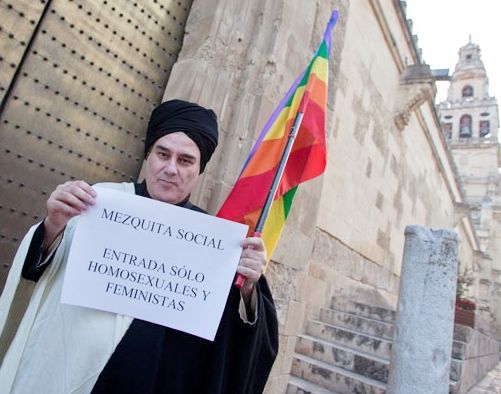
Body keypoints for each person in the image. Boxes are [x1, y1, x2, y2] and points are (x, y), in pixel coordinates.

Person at [0, 99, 279, 393]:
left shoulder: (215, 242)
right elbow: (40, 273)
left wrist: (248, 289)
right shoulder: (97, 202)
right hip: (64, 373)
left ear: (199, 170)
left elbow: (237, 347)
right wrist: (54, 224)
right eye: (163, 154)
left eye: (185, 160)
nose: (171, 169)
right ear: (149, 156)